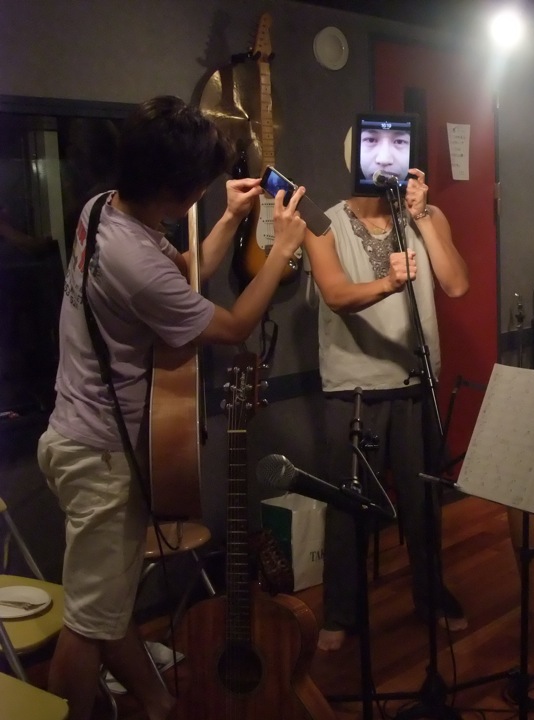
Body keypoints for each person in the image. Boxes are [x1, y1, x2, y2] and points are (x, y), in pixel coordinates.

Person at [35, 95, 307, 720]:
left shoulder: (102, 209)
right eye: (199, 188)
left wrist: (227, 218)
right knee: (87, 624)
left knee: (104, 606)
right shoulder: (133, 261)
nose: (202, 194)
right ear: (172, 190)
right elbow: (234, 325)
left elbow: (178, 276)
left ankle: (158, 703)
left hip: (79, 440)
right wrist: (282, 249)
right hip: (102, 460)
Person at [303, 167, 469, 651]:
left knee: (423, 504)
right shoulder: (325, 222)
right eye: (373, 143)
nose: (386, 157)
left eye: (398, 145)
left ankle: (430, 596)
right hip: (352, 386)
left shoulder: (426, 216)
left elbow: (457, 285)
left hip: (416, 381)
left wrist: (425, 217)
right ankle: (341, 611)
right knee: (348, 506)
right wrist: (389, 283)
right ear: (352, 156)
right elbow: (336, 295)